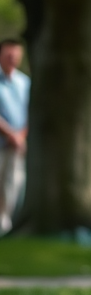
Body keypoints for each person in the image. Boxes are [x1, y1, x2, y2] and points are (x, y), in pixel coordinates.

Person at [0, 38, 29, 234]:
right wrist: (10, 133)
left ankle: (5, 224)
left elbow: (31, 112)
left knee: (13, 186)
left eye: (16, 56)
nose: (12, 59)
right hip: (2, 142)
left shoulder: (24, 82)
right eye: (8, 55)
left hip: (17, 145)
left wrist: (20, 136)